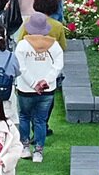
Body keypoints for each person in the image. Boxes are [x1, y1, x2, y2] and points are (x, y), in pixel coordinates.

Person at [15, 13, 64, 161]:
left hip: (26, 89)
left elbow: (21, 67)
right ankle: (38, 151)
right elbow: (58, 65)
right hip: (47, 89)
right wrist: (45, 81)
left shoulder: (22, 45)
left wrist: (33, 83)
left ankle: (24, 147)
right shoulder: (54, 45)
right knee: (41, 120)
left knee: (24, 116)